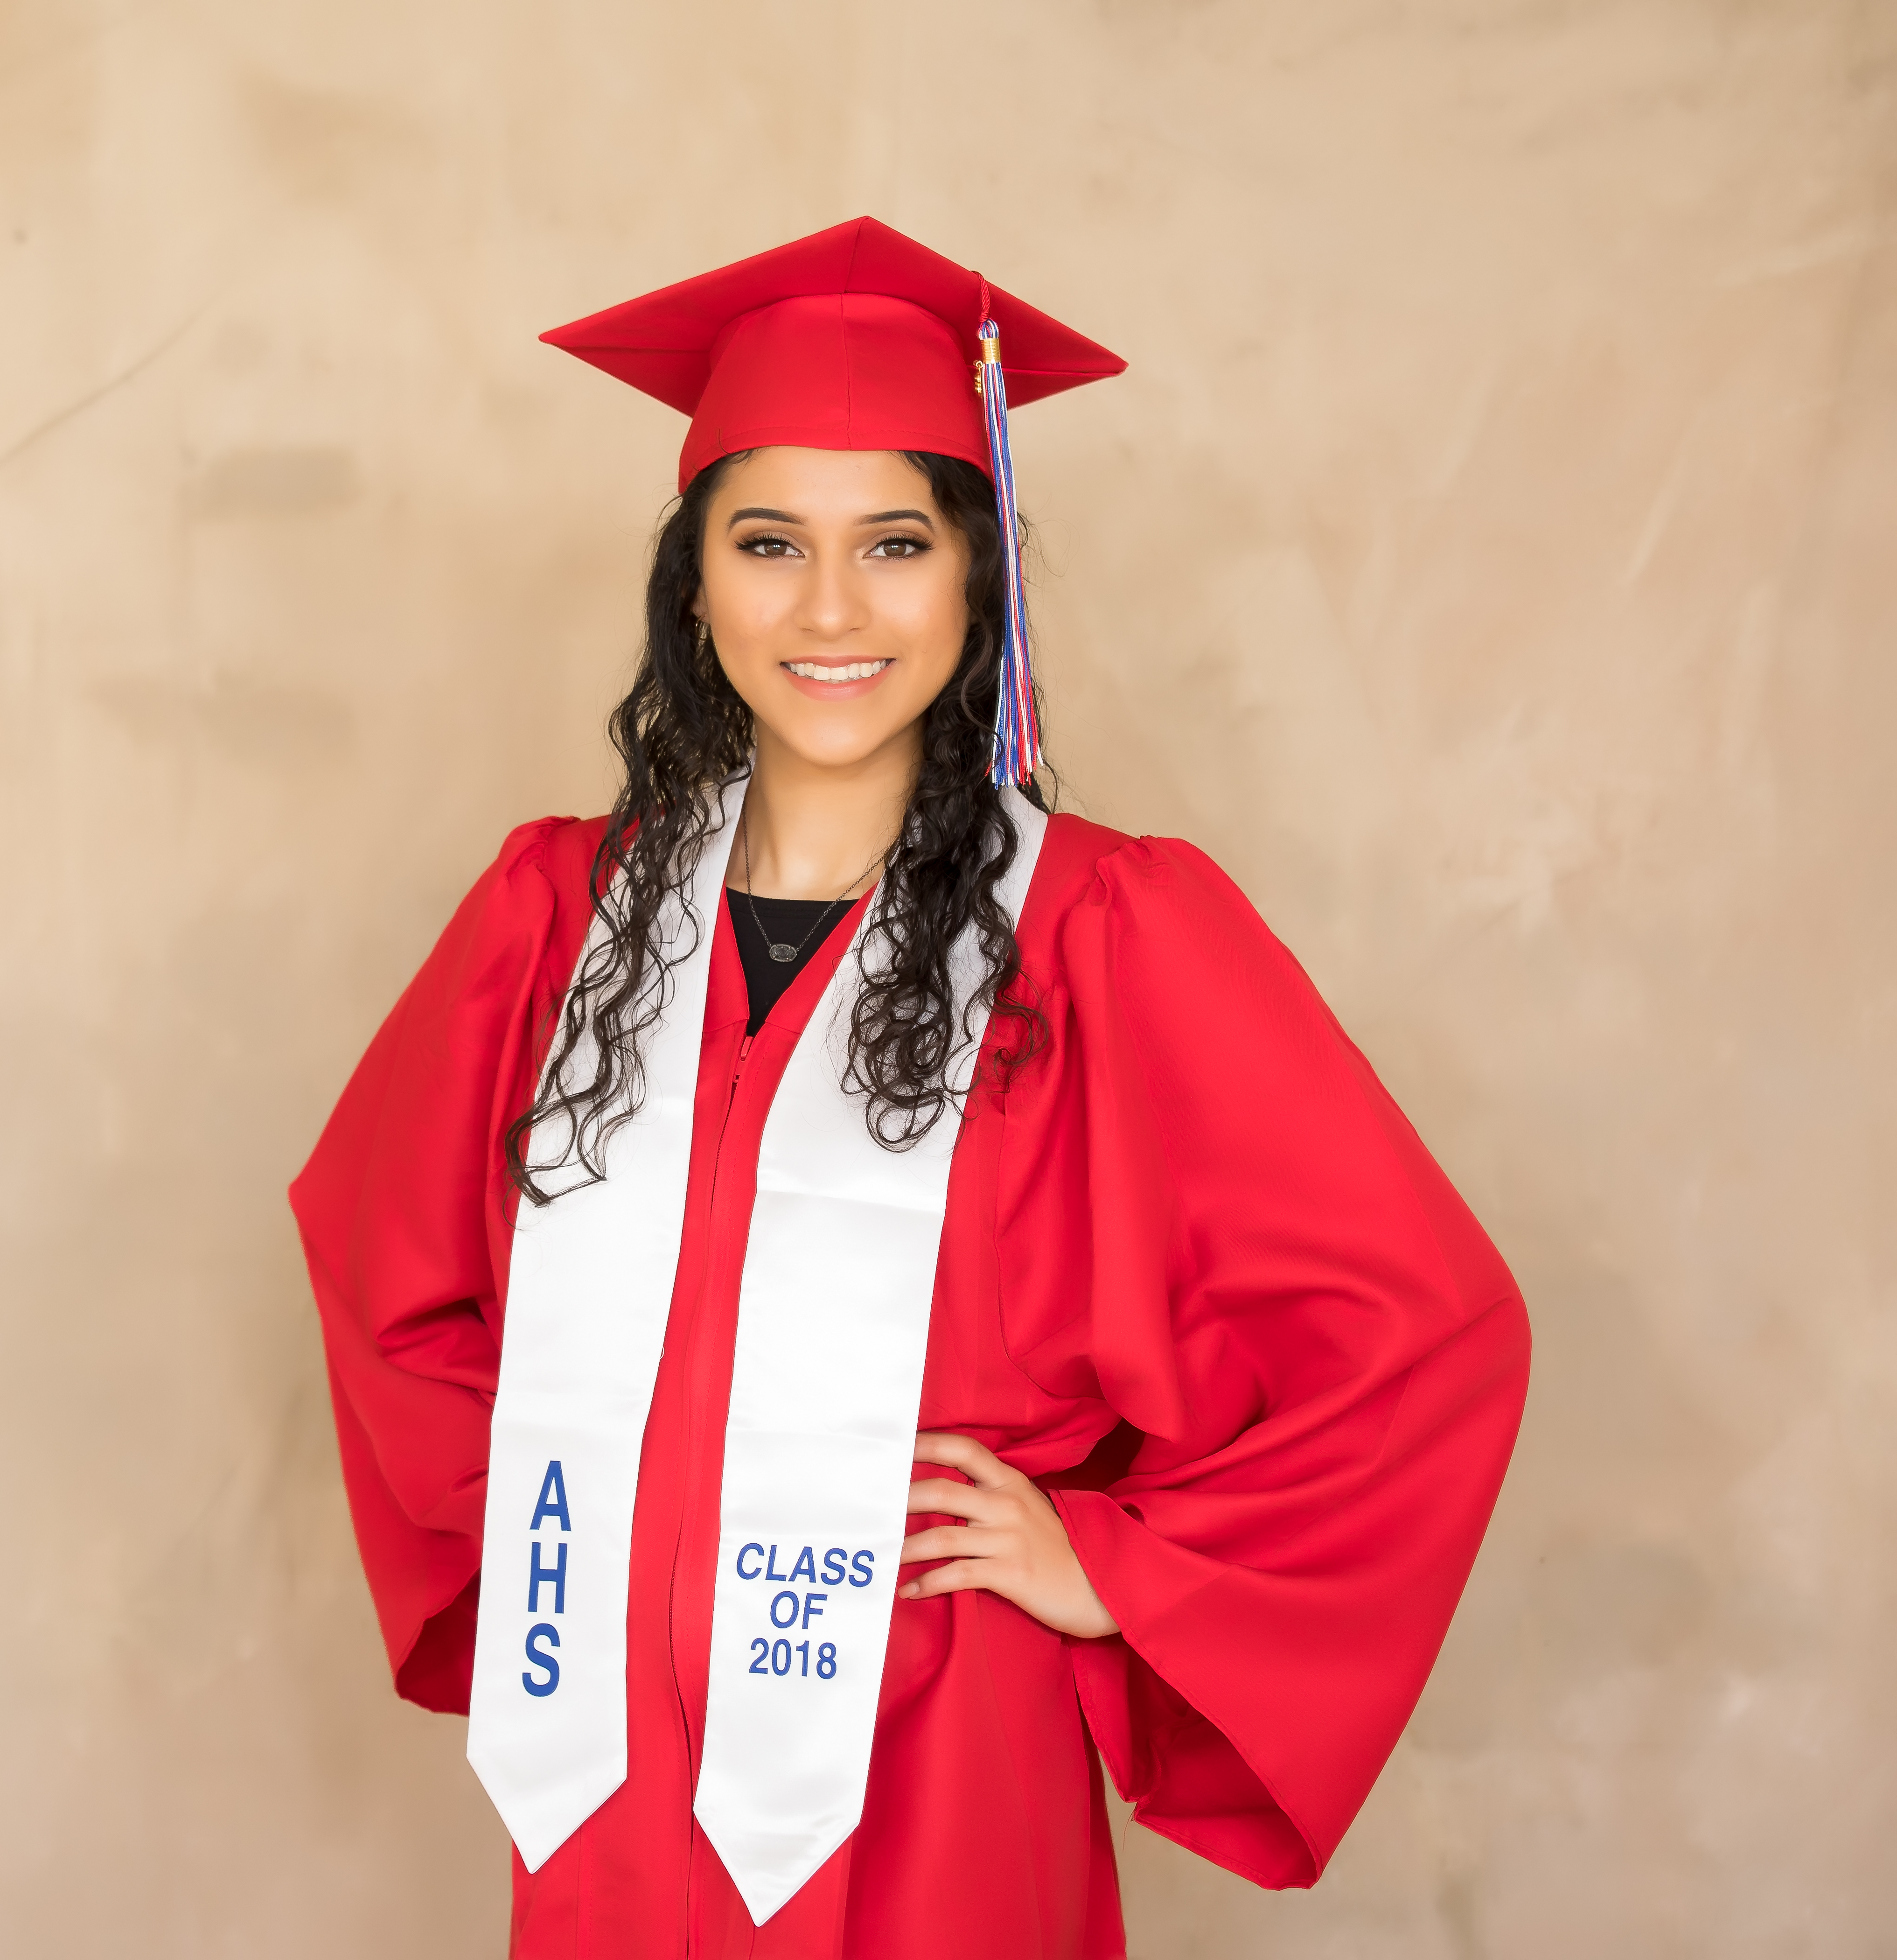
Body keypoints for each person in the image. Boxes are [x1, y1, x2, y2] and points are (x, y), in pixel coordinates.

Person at [289, 216, 1529, 1960]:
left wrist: (1114, 1564)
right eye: (767, 543)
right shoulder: (555, 918)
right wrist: (562, 1510)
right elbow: (378, 1262)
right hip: (612, 1749)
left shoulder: (1110, 929)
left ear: (974, 581)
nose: (828, 611)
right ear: (693, 583)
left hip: (939, 1724)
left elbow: (1415, 1329)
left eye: (892, 545)